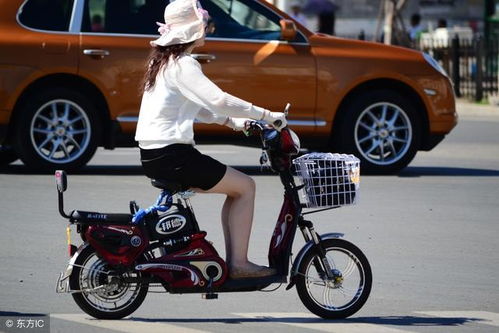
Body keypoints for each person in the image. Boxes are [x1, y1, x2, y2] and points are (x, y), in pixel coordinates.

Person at [135, 0, 287, 279]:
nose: (207, 26)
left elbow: (200, 108)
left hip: (156, 155)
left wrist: (234, 122)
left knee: (237, 188)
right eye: (203, 21)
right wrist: (267, 115)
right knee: (246, 187)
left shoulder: (165, 63)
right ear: (193, 29)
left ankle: (235, 262)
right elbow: (218, 99)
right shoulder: (184, 64)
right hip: (173, 156)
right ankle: (239, 265)